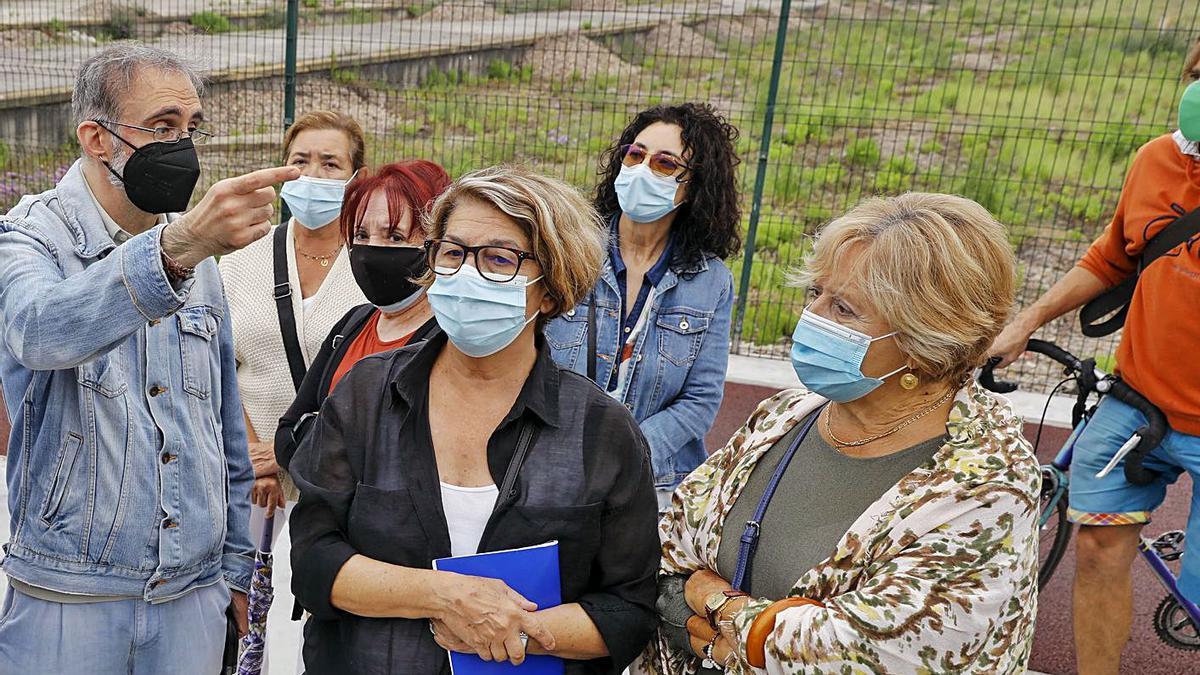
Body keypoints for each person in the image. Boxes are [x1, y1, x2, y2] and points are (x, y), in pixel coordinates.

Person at [645, 193, 1040, 673]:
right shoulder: (783, 417)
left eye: (845, 310)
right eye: (817, 294)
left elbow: (866, 653)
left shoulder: (986, 485)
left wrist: (715, 606)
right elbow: (671, 551)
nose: (813, 318)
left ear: (925, 338)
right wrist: (723, 628)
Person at [288, 165, 659, 673]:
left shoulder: (601, 433)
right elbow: (312, 560)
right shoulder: (368, 394)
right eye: (453, 252)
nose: (466, 274)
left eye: (500, 259)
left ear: (550, 289)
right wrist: (445, 597)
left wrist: (514, 628)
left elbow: (628, 610)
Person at [0, 44, 300, 672]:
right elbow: (39, 332)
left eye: (191, 128)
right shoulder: (27, 239)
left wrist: (239, 569)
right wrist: (178, 245)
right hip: (70, 592)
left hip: (191, 594)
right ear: (97, 138)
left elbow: (223, 431)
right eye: (162, 127)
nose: (182, 146)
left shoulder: (197, 262)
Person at [989, 44, 1200, 675]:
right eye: (1199, 74)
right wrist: (1025, 322)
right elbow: (1112, 258)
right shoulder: (1156, 161)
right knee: (1100, 548)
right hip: (1137, 405)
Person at [216, 109, 369, 672]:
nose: (312, 174)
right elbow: (218, 366)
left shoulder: (371, 265)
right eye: (300, 161)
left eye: (331, 163)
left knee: (318, 612)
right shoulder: (241, 264)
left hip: (339, 475)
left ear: (356, 177)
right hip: (252, 478)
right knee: (242, 610)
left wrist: (290, 455)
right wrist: (255, 455)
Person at [546, 103, 741, 510]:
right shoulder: (570, 251)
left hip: (652, 486)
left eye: (665, 164)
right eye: (636, 155)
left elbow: (700, 401)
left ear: (694, 186)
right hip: (552, 469)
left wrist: (626, 451)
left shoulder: (711, 282)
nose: (642, 169)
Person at [274, 159, 450, 473]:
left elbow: (410, 460)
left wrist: (323, 437)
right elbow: (287, 436)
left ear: (435, 242)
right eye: (361, 235)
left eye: (395, 237)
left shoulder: (446, 341)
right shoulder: (354, 323)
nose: (371, 251)